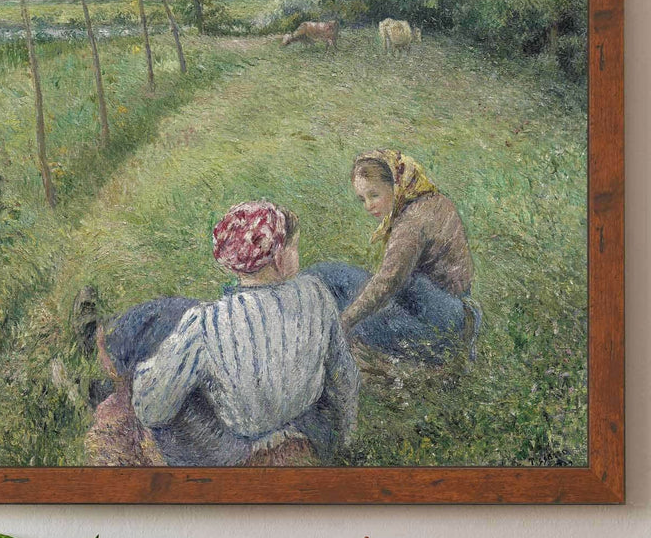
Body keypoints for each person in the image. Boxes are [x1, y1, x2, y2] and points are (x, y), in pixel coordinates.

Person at [90, 201, 359, 467]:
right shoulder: (317, 293)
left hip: (235, 450)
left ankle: (108, 360)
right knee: (173, 317)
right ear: (278, 258)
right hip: (308, 427)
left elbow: (152, 411)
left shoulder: (207, 321)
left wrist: (148, 377)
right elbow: (344, 373)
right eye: (295, 248)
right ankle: (112, 344)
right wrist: (345, 435)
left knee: (168, 336)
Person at [308, 149, 479, 364]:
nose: (369, 206)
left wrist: (345, 322)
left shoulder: (412, 223)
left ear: (395, 185)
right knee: (329, 274)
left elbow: (386, 283)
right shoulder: (433, 200)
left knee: (346, 309)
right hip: (444, 301)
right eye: (362, 199)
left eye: (374, 195)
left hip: (440, 319)